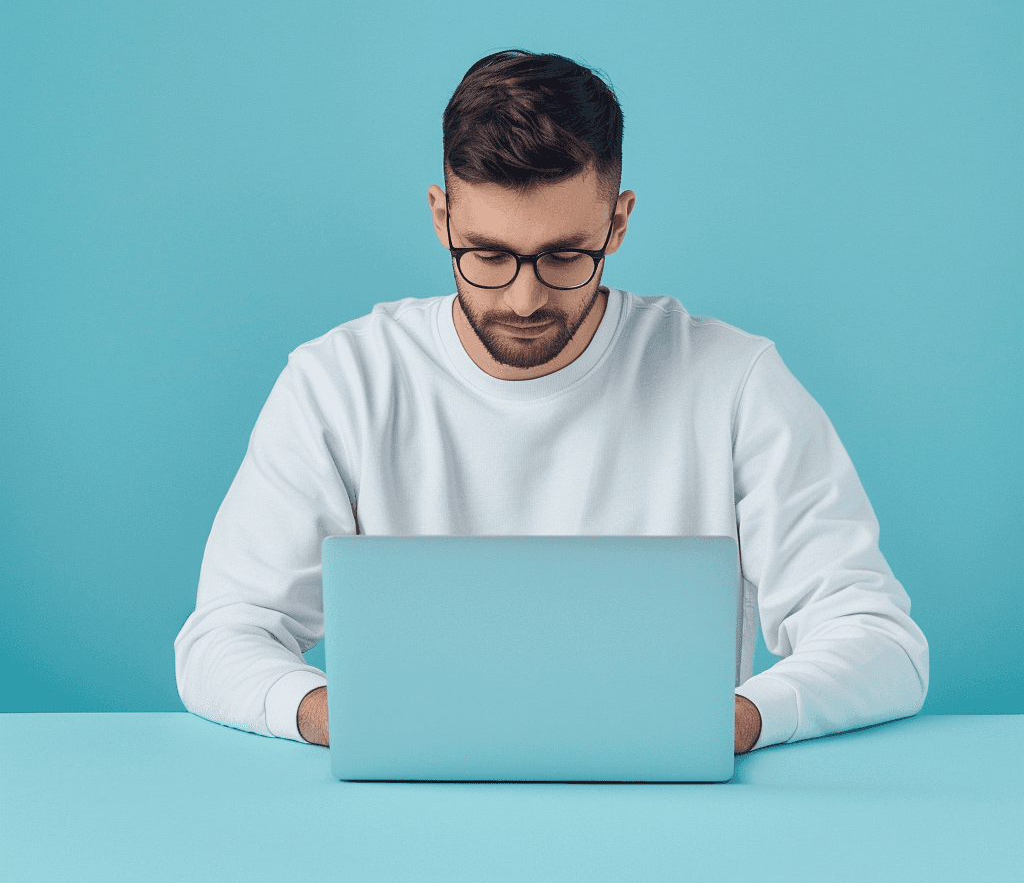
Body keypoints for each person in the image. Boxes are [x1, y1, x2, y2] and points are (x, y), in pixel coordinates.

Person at [174, 49, 928, 755]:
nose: (526, 297)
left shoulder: (733, 382)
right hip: (407, 813)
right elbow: (224, 637)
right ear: (441, 217)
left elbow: (880, 641)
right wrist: (357, 721)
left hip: (670, 813)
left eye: (566, 256)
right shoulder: (339, 383)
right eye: (488, 255)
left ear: (618, 223)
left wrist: (721, 724)